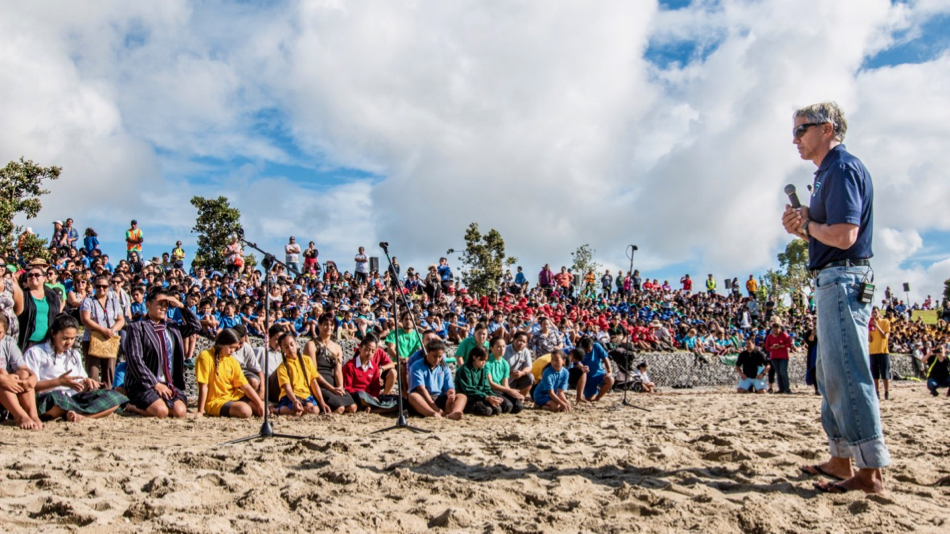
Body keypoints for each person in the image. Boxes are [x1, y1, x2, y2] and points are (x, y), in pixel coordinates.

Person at [784, 101, 888, 494]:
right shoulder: (829, 171)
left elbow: (845, 236)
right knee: (832, 374)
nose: (795, 139)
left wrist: (808, 223)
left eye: (801, 130)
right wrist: (805, 226)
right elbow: (832, 232)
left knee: (848, 373)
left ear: (826, 129)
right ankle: (841, 457)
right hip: (835, 278)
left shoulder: (842, 168)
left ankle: (869, 473)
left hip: (843, 278)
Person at [24, 315, 127, 422]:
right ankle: (78, 411)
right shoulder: (35, 352)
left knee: (115, 397)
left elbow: (80, 384)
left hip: (73, 399)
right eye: (65, 338)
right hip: (50, 398)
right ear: (53, 333)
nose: (69, 342)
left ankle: (82, 416)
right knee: (55, 399)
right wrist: (59, 382)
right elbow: (29, 387)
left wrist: (87, 382)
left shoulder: (74, 354)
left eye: (72, 339)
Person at [121, 287, 200, 418]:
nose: (163, 308)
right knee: (161, 412)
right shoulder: (137, 328)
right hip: (143, 384)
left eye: (166, 305)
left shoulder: (172, 327)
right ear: (148, 305)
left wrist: (181, 306)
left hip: (168, 383)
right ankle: (131, 406)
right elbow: (135, 359)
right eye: (159, 304)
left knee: (180, 412)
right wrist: (155, 384)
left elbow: (195, 326)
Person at [195, 328, 265, 418]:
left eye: (235, 348)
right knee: (245, 411)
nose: (233, 351)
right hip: (215, 401)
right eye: (231, 347)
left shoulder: (232, 360)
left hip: (235, 396)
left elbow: (245, 386)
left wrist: (259, 403)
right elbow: (203, 386)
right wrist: (200, 411)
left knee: (264, 410)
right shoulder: (205, 356)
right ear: (222, 344)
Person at [79, 274, 125, 388]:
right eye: (98, 286)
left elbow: (121, 319)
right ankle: (92, 398)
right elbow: (85, 319)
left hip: (110, 339)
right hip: (92, 339)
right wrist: (102, 330)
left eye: (104, 286)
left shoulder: (114, 300)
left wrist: (112, 330)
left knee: (109, 371)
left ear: (108, 287)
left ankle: (108, 398)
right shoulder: (88, 301)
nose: (101, 288)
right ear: (95, 287)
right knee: (93, 372)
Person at [305, 313, 356, 414]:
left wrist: (340, 387)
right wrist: (331, 389)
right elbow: (313, 372)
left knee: (353, 407)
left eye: (331, 325)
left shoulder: (337, 347)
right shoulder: (311, 345)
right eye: (325, 324)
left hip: (332, 383)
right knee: (340, 408)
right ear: (319, 325)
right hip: (319, 384)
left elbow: (338, 372)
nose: (329, 327)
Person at [0, 319, 42, 429]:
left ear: (4, 332)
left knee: (23, 374)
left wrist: (33, 376)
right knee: (3, 372)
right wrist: (2, 379)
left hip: (7, 390)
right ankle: (20, 416)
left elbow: (22, 366)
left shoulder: (7, 343)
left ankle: (32, 415)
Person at [407, 339, 465, 419]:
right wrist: (434, 407)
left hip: (439, 397)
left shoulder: (444, 367)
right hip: (424, 398)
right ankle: (432, 413)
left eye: (440, 357)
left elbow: (449, 387)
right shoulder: (416, 366)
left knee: (462, 396)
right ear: (427, 352)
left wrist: (450, 393)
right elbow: (421, 389)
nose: (437, 359)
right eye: (434, 356)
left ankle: (453, 412)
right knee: (413, 396)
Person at [276, 332, 329, 415]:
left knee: (315, 410)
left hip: (305, 395)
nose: (290, 348)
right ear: (282, 349)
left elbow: (314, 383)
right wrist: (294, 401)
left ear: (296, 344)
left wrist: (322, 402)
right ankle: (276, 410)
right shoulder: (282, 367)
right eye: (286, 347)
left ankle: (303, 409)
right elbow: (287, 388)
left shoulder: (307, 360)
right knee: (296, 413)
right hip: (290, 396)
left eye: (291, 344)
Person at [17, 260, 64, 351]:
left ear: (44, 278)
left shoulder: (53, 296)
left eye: (37, 275)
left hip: (48, 342)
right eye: (30, 275)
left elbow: (57, 317)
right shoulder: (22, 295)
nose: (33, 277)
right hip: (27, 342)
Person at [343, 334, 396, 413]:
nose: (370, 353)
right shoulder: (350, 365)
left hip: (370, 397)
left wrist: (373, 396)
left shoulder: (374, 367)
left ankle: (372, 407)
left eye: (373, 351)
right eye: (367, 350)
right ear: (360, 348)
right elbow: (347, 388)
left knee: (398, 401)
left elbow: (375, 387)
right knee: (361, 395)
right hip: (357, 395)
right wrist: (368, 398)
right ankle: (373, 406)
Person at [456, 346, 507, 416]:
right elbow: (468, 389)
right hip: (468, 397)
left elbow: (486, 387)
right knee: (487, 410)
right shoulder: (464, 370)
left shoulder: (483, 369)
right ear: (474, 357)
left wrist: (493, 396)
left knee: (498, 409)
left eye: (485, 360)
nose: (484, 363)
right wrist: (486, 397)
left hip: (480, 396)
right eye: (481, 360)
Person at [485, 337, 524, 413]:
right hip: (491, 390)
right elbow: (490, 384)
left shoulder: (505, 363)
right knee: (508, 406)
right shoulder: (487, 362)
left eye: (503, 346)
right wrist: (509, 390)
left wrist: (513, 393)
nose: (502, 349)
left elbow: (505, 384)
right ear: (492, 348)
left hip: (501, 390)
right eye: (499, 347)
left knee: (519, 406)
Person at [577, 337, 615, 402]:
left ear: (592, 345)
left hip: (599, 374)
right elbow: (577, 362)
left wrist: (609, 370)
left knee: (610, 380)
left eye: (589, 350)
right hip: (588, 378)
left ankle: (598, 397)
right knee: (589, 399)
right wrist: (582, 367)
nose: (588, 352)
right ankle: (594, 392)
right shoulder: (579, 351)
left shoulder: (596, 346)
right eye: (586, 350)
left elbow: (605, 358)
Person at [868, 307, 891, 400]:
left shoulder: (885, 321)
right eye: (873, 312)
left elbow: (884, 336)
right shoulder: (870, 323)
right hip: (873, 351)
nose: (874, 314)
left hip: (883, 351)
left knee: (885, 374)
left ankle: (887, 392)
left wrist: (877, 325)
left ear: (879, 312)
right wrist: (868, 330)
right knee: (875, 375)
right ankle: (876, 392)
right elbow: (870, 339)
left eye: (875, 312)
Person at [763, 320, 791, 394]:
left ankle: (787, 388)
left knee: (783, 372)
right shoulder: (769, 337)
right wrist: (772, 347)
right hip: (774, 357)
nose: (776, 331)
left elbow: (789, 344)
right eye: (774, 329)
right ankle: (781, 388)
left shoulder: (784, 335)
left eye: (777, 329)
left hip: (783, 356)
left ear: (780, 329)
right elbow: (767, 347)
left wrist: (781, 346)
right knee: (778, 373)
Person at [503, 331, 534, 396]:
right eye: (520, 340)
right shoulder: (505, 350)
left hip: (515, 380)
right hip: (503, 381)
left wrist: (522, 373)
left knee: (530, 377)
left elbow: (529, 367)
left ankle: (521, 397)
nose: (521, 343)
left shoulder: (525, 351)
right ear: (514, 339)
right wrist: (509, 373)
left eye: (524, 342)